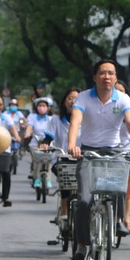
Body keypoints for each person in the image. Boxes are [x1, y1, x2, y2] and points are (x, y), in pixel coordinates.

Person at [67, 59, 130, 260]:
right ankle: (82, 246)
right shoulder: (84, 97)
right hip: (88, 152)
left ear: (116, 77)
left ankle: (118, 218)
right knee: (83, 200)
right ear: (95, 77)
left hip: (113, 152)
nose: (107, 77)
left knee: (120, 184)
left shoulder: (123, 98)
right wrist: (72, 145)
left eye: (111, 73)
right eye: (102, 73)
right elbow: (75, 122)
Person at [47, 87, 82, 230]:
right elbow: (49, 135)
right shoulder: (56, 119)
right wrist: (44, 143)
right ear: (64, 101)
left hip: (81, 160)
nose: (73, 101)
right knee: (66, 185)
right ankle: (64, 214)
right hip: (62, 159)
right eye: (70, 98)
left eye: (76, 99)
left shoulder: (86, 120)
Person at [114, 80, 130, 235]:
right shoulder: (107, 109)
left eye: (122, 91)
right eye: (116, 91)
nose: (118, 94)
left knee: (128, 189)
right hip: (110, 153)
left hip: (127, 153)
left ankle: (126, 217)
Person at [25, 97, 53, 187]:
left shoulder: (51, 119)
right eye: (40, 105)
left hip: (49, 144)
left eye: (44, 105)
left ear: (48, 108)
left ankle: (48, 179)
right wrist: (27, 135)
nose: (42, 107)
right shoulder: (32, 117)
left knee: (49, 160)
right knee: (38, 160)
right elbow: (29, 128)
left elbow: (54, 131)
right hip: (35, 143)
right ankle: (36, 178)